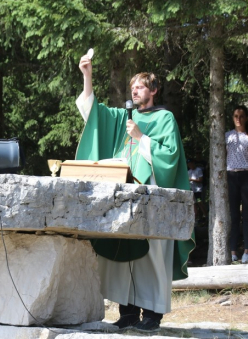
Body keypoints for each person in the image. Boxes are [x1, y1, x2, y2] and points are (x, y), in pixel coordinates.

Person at [76, 53, 195, 333]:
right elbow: (93, 113)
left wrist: (141, 137)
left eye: (140, 87)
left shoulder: (165, 119)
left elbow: (170, 158)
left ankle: (152, 315)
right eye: (132, 88)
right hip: (124, 198)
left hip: (152, 200)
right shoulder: (123, 119)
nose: (134, 91)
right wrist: (87, 76)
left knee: (152, 255)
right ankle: (128, 313)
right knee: (122, 253)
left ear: (153, 90)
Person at [225, 105, 248, 264]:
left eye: (241, 116)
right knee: (234, 215)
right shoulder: (227, 136)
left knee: (247, 214)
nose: (238, 119)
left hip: (247, 174)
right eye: (236, 115)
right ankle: (233, 250)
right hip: (231, 175)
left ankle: (247, 250)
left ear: (246, 117)